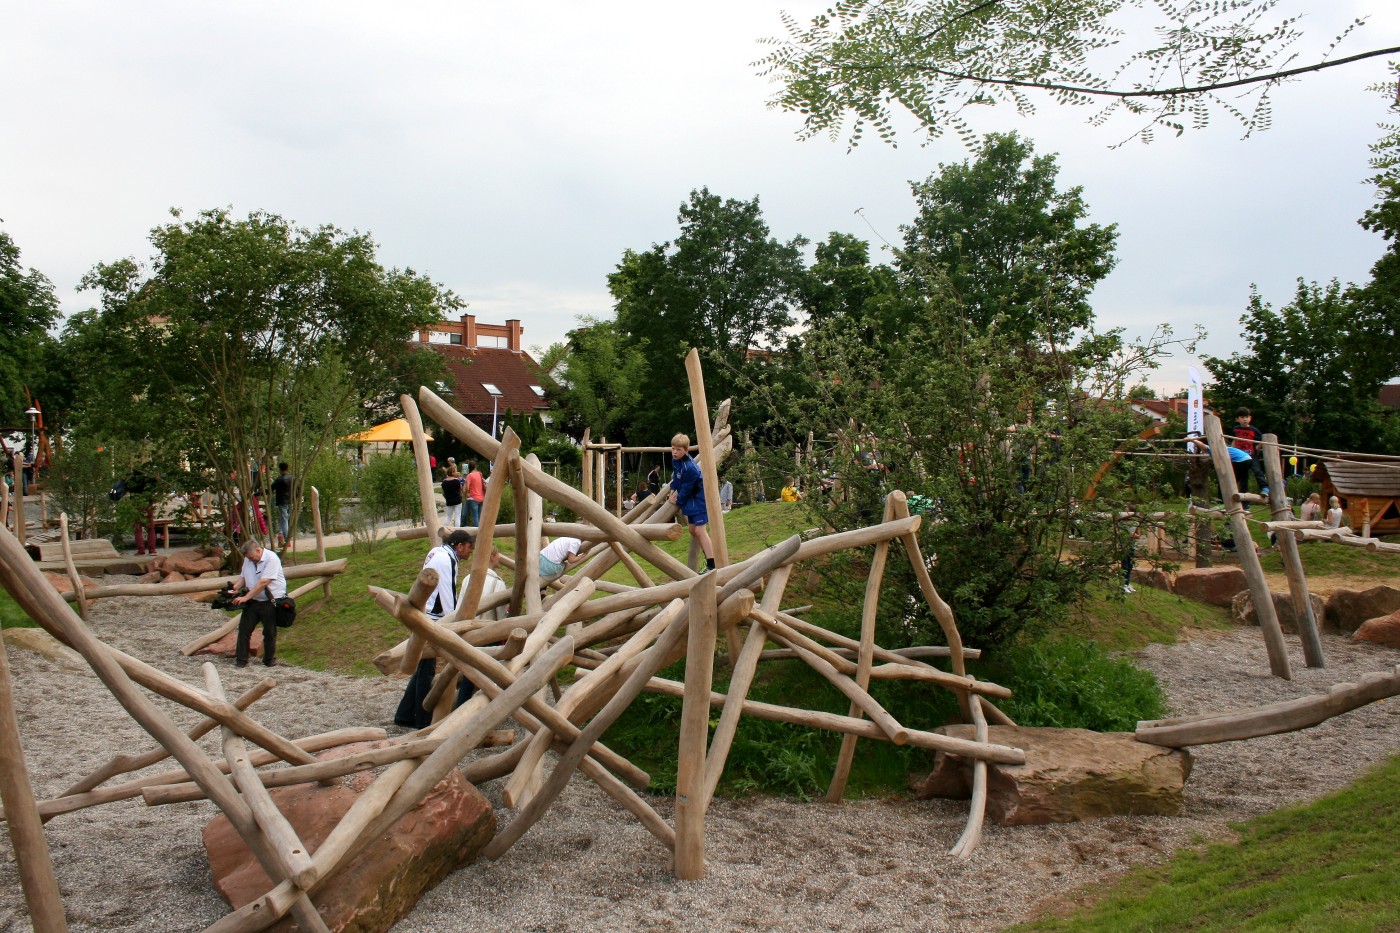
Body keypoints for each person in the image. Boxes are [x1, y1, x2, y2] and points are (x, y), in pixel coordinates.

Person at [394, 529, 476, 728]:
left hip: (426, 611)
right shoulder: (446, 559)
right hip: (433, 617)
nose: (470, 552)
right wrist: (454, 621)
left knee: (423, 666)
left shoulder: (438, 552)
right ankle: (422, 720)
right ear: (460, 545)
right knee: (426, 670)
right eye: (469, 548)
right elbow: (447, 591)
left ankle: (404, 714)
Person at [232, 539, 287, 668]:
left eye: (252, 557)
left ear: (258, 550)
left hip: (270, 601)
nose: (251, 560)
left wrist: (245, 597)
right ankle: (241, 660)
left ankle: (269, 660)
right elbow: (243, 577)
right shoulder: (248, 559)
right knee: (244, 629)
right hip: (254, 600)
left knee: (269, 632)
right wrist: (235, 587)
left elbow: (263, 582)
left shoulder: (272, 559)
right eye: (248, 558)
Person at [669, 433, 716, 572]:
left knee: (700, 531)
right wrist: (672, 489)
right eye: (673, 449)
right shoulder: (676, 461)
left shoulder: (690, 468)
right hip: (691, 501)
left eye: (678, 450)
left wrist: (677, 500)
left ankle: (712, 564)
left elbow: (687, 488)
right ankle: (708, 559)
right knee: (692, 530)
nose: (675, 452)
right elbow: (677, 479)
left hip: (699, 500)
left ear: (686, 450)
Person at [1230, 407, 1269, 494]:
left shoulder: (1253, 430)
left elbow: (1262, 439)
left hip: (1251, 454)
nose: (1245, 419)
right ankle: (1244, 499)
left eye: (1247, 417)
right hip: (1241, 457)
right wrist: (1231, 450)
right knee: (1243, 476)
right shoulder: (1236, 429)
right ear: (1237, 419)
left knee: (1257, 470)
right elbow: (1234, 440)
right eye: (1242, 417)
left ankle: (1264, 487)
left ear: (1250, 418)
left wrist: (1258, 447)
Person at [270, 462, 294, 550]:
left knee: (284, 520)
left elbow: (270, 489)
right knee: (287, 520)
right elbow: (298, 489)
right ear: (288, 468)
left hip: (282, 502)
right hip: (292, 501)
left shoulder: (279, 480)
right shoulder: (293, 478)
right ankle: (282, 535)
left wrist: (256, 494)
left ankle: (286, 539)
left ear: (280, 469)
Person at [464, 461, 486, 527]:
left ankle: (476, 533)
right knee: (479, 517)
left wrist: (466, 494)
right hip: (481, 497)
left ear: (468, 468)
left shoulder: (469, 476)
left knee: (475, 517)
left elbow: (467, 487)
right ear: (475, 466)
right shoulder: (479, 474)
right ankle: (481, 531)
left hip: (473, 498)